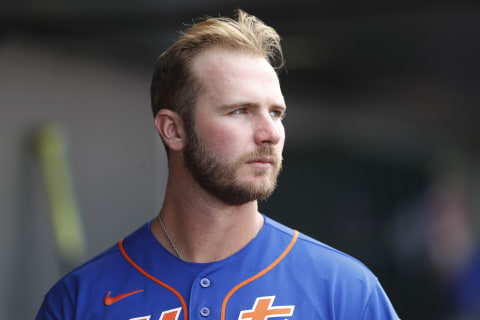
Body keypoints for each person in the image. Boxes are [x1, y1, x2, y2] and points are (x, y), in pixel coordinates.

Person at [36, 9, 400, 320]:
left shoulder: (346, 291)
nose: (270, 133)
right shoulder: (79, 300)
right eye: (240, 111)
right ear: (173, 130)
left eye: (276, 113)